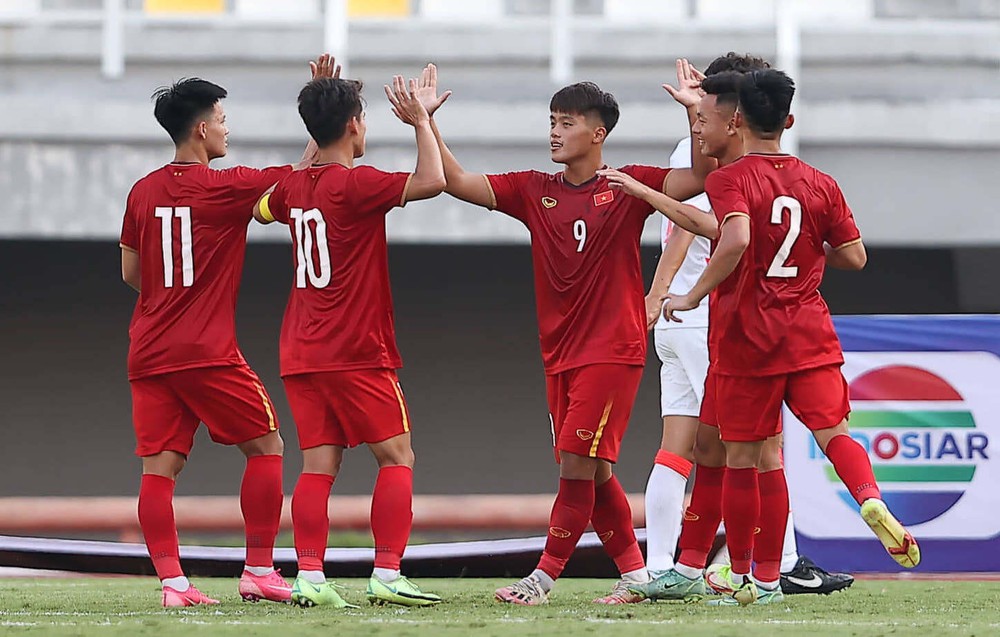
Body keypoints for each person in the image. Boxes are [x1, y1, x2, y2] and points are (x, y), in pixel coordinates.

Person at [414, 62, 713, 605]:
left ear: (597, 133)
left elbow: (697, 178)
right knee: (593, 471)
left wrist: (694, 110)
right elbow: (457, 183)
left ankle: (542, 578)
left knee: (579, 465)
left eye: (566, 122)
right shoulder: (534, 189)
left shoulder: (628, 184)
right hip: (559, 354)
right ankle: (637, 577)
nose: (554, 131)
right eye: (551, 120)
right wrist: (427, 123)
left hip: (612, 350)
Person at [651, 68, 920, 606]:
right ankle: (868, 497)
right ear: (790, 120)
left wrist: (692, 294)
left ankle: (755, 576)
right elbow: (855, 256)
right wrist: (806, 249)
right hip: (809, 331)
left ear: (738, 120)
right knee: (834, 432)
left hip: (748, 338)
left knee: (747, 459)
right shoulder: (820, 182)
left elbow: (734, 237)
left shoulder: (728, 179)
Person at [630, 54, 854, 598]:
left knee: (687, 449)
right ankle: (773, 568)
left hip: (686, 318)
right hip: (713, 317)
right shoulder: (730, 164)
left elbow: (701, 221)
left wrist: (660, 296)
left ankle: (675, 566)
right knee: (756, 452)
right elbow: (705, 232)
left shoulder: (701, 149)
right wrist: (671, 294)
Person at [120, 55, 334, 607]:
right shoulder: (226, 187)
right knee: (267, 446)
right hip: (206, 351)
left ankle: (173, 584)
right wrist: (321, 108)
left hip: (147, 350)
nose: (226, 127)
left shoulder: (141, 192)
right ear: (201, 128)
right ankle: (259, 570)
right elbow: (303, 174)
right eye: (221, 117)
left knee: (158, 469)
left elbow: (130, 272)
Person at [253, 70, 445, 608]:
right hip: (356, 350)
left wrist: (317, 121)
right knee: (397, 456)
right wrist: (422, 121)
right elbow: (432, 180)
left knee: (318, 466)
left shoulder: (293, 187)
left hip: (301, 350)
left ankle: (310, 578)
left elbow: (260, 204)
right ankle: (386, 572)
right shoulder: (358, 184)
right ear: (356, 125)